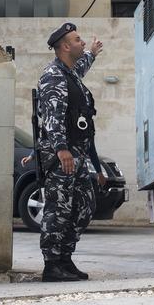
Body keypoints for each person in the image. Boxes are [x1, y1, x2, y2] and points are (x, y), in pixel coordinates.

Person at [37, 22, 104, 282]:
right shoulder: (53, 75)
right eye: (78, 40)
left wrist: (93, 54)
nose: (83, 42)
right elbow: (52, 116)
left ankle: (65, 258)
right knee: (59, 208)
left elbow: (81, 66)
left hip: (78, 154)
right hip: (62, 156)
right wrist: (61, 149)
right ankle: (52, 264)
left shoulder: (69, 73)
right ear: (65, 46)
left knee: (85, 206)